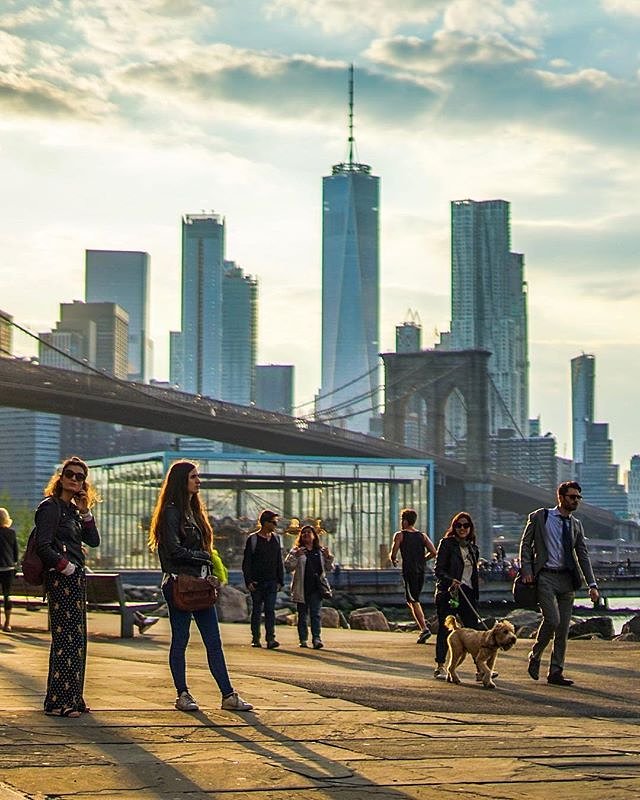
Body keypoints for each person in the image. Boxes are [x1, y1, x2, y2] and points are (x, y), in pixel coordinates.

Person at [148, 460, 252, 712]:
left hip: (200, 583)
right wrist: (203, 558)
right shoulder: (171, 512)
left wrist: (210, 571)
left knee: (213, 640)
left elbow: (200, 547)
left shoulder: (193, 511)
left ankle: (228, 695)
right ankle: (182, 694)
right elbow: (172, 550)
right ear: (181, 480)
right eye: (194, 476)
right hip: (179, 584)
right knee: (180, 639)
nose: (199, 481)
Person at [35, 457, 100, 717]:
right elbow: (43, 545)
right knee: (65, 639)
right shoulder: (50, 507)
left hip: (74, 579)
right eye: (70, 475)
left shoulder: (72, 510)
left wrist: (85, 511)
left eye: (80, 477)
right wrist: (66, 566)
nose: (75, 479)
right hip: (62, 578)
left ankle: (73, 697)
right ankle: (57, 702)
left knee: (78, 639)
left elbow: (93, 541)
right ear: (60, 478)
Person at [519, 480, 599, 687]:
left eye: (579, 497)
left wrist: (592, 584)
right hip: (545, 576)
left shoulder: (576, 525)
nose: (576, 501)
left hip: (567, 579)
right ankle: (535, 655)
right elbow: (525, 544)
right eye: (573, 497)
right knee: (552, 620)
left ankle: (556, 671)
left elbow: (583, 555)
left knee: (563, 629)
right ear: (561, 497)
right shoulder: (540, 517)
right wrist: (527, 570)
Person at [433, 512, 480, 679]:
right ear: (454, 527)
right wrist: (451, 580)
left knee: (474, 632)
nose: (462, 528)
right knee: (445, 630)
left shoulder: (473, 548)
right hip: (448, 592)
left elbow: (473, 573)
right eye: (458, 525)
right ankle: (440, 666)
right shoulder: (446, 544)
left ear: (470, 528)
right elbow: (438, 570)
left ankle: (480, 669)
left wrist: (475, 593)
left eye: (465, 525)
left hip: (467, 592)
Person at [390, 508, 437, 644]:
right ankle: (423, 627)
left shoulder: (400, 535)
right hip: (420, 571)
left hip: (409, 571)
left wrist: (393, 559)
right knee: (412, 600)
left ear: (404, 521)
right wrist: (423, 559)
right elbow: (434, 552)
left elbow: (393, 553)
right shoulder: (422, 536)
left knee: (413, 600)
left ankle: (424, 628)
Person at [285, 524, 334, 649]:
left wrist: (329, 557)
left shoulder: (320, 551)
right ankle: (303, 639)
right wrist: (295, 556)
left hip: (316, 587)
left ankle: (316, 638)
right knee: (302, 615)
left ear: (314, 536)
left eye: (309, 532)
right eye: (303, 533)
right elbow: (288, 566)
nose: (306, 534)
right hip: (302, 586)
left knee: (315, 613)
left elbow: (328, 568)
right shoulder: (297, 550)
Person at [242, 510, 284, 649]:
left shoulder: (276, 539)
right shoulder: (253, 539)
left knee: (270, 610)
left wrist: (280, 580)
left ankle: (271, 638)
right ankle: (256, 638)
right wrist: (248, 581)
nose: (275, 525)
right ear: (265, 523)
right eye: (273, 522)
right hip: (257, 582)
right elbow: (247, 562)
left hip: (272, 581)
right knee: (256, 610)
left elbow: (279, 561)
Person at [0, 507, 18, 632]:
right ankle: (7, 623)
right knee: (7, 595)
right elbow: (15, 553)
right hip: (8, 568)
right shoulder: (11, 533)